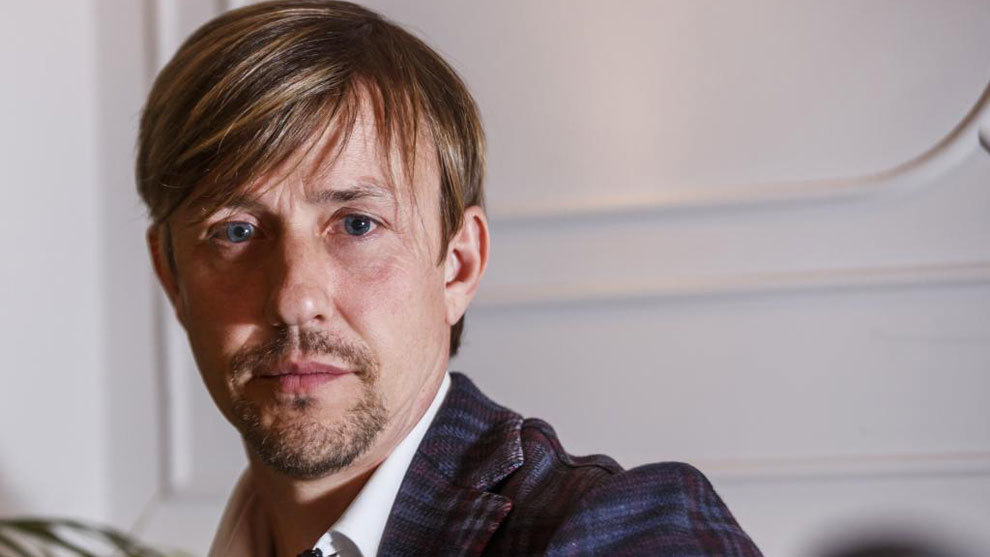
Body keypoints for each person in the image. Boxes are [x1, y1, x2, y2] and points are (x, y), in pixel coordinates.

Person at [137, 1, 762, 555]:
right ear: (171, 275)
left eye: (357, 224)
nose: (296, 299)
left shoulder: (617, 534)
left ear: (458, 265)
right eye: (236, 231)